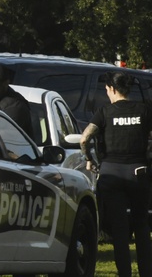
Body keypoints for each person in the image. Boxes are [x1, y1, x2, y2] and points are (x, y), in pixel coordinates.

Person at [80, 71, 152, 277]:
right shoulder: (144, 111)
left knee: (119, 229)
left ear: (112, 89)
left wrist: (89, 160)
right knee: (141, 224)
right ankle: (146, 271)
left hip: (111, 173)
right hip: (138, 172)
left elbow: (84, 138)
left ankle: (124, 273)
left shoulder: (104, 112)